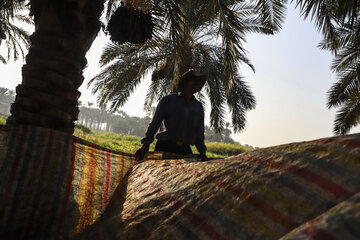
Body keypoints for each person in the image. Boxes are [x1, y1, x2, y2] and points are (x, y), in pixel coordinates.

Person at [135, 69, 208, 161]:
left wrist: (202, 153)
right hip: (165, 147)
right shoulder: (168, 100)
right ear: (184, 81)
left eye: (198, 81)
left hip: (185, 150)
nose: (196, 83)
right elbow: (155, 124)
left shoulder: (198, 107)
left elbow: (199, 133)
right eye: (193, 80)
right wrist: (145, 146)